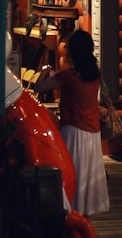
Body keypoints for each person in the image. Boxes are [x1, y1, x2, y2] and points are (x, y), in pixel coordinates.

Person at [37, 27, 112, 215]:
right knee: (88, 172)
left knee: (71, 170)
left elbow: (40, 86)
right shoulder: (95, 75)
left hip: (73, 129)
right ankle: (87, 209)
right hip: (92, 130)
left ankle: (73, 208)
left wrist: (45, 71)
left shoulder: (68, 76)